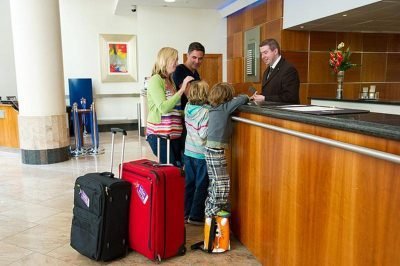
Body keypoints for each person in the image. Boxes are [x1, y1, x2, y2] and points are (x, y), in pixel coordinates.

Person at [204, 82, 249, 218]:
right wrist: (246, 96)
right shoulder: (225, 108)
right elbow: (243, 99)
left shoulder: (213, 107)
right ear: (227, 97)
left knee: (215, 182)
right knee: (222, 183)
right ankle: (214, 212)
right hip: (215, 151)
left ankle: (211, 208)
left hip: (210, 150)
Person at [146, 47, 194, 166]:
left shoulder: (170, 80)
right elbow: (164, 108)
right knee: (170, 167)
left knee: (177, 167)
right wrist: (182, 89)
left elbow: (174, 109)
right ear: (166, 60)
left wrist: (190, 111)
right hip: (159, 135)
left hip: (174, 134)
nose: (177, 64)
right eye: (175, 60)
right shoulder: (155, 80)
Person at [183, 80, 210, 225]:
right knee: (201, 185)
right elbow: (203, 134)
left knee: (189, 183)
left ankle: (185, 212)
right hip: (201, 154)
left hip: (188, 152)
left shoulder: (188, 107)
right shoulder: (206, 112)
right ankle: (195, 216)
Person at [173, 42, 205, 156]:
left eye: (200, 59)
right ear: (187, 55)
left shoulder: (195, 73)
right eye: (194, 57)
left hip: (192, 117)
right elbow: (191, 95)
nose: (197, 61)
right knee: (185, 153)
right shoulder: (180, 70)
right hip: (183, 117)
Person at [252, 38, 300, 104]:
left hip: (284, 113)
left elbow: (290, 97)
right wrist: (258, 97)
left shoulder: (289, 70)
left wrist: (265, 98)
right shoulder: (266, 71)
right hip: (269, 112)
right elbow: (269, 93)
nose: (262, 56)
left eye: (265, 52)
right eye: (261, 54)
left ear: (275, 51)